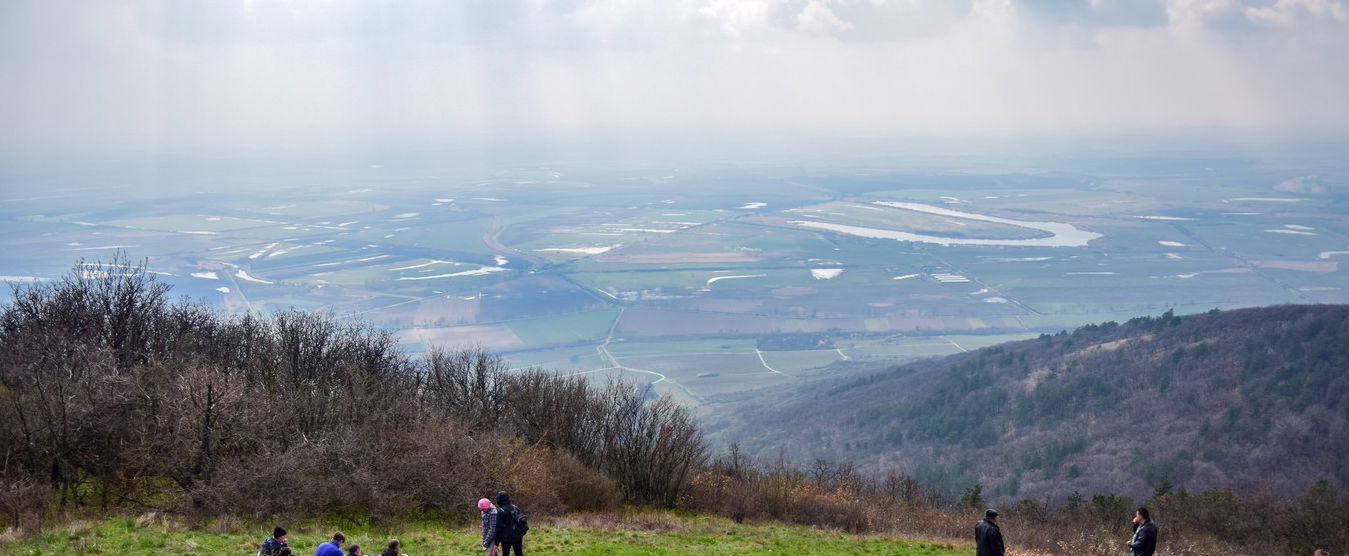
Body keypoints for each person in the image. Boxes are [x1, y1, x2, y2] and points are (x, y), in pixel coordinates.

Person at [494, 491, 528, 556]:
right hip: (518, 535)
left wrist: (496, 543)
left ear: (499, 500)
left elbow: (498, 529)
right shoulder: (515, 507)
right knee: (519, 553)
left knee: (505, 554)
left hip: (506, 538)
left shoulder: (501, 511)